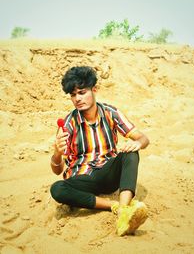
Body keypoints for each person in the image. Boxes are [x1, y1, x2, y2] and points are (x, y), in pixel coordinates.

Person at [50, 66, 150, 236]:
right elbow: (57, 170)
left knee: (131, 153)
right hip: (83, 180)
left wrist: (138, 144)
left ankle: (124, 211)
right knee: (57, 189)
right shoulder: (68, 123)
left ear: (94, 89)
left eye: (82, 92)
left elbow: (143, 138)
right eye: (73, 95)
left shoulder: (111, 113)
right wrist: (57, 154)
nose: (77, 99)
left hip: (109, 173)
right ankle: (116, 207)